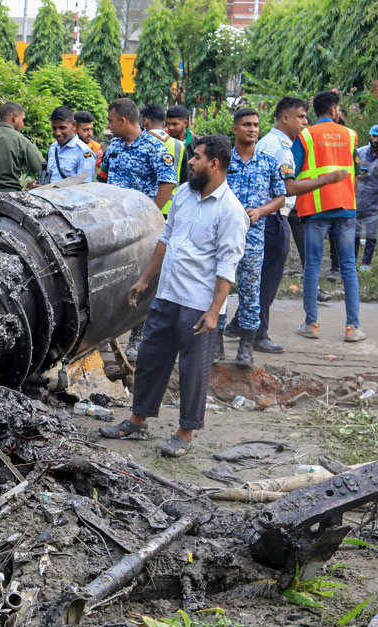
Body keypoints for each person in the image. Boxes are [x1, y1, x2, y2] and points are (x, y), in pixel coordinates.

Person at [99, 135, 247, 458]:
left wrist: (214, 311)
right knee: (151, 358)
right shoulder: (183, 194)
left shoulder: (232, 211)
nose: (190, 162)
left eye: (196, 158)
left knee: (193, 369)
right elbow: (165, 240)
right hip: (168, 294)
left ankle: (185, 432)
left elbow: (227, 267)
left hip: (200, 303)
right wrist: (144, 280)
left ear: (214, 164)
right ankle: (137, 421)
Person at [96, 98, 178, 359]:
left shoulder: (155, 148)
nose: (108, 126)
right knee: (110, 277)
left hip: (141, 228)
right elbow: (102, 178)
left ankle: (136, 337)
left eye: (110, 121)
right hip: (113, 226)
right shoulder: (115, 146)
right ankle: (105, 334)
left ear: (122, 120)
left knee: (141, 280)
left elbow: (168, 183)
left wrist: (149, 214)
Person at [288, 90, 363, 342]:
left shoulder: (305, 136)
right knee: (349, 266)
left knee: (312, 265)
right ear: (333, 110)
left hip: (315, 209)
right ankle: (353, 328)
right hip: (345, 206)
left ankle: (311, 324)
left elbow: (292, 171)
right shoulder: (351, 135)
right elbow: (357, 169)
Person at [222, 106, 286, 366]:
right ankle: (215, 345)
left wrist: (261, 211)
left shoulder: (269, 163)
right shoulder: (224, 161)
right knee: (219, 290)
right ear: (235, 128)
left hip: (254, 238)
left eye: (256, 125)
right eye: (246, 124)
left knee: (251, 291)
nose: (252, 129)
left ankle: (246, 347)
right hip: (224, 238)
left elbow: (281, 198)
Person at [253, 96, 307, 354]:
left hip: (265, 216)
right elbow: (287, 187)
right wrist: (327, 180)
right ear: (285, 118)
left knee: (258, 274)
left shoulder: (268, 142)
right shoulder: (281, 147)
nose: (305, 122)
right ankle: (258, 332)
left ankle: (238, 325)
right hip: (275, 217)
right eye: (301, 117)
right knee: (268, 279)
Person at [355, 124, 378, 269]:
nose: (376, 140)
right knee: (355, 232)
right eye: (374, 136)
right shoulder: (359, 153)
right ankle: (352, 259)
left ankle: (366, 263)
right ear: (370, 136)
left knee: (372, 232)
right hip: (358, 196)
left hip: (375, 197)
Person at [46, 106, 95, 183]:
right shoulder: (53, 148)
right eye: (54, 128)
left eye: (62, 128)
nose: (57, 133)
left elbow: (85, 188)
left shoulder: (84, 153)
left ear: (74, 125)